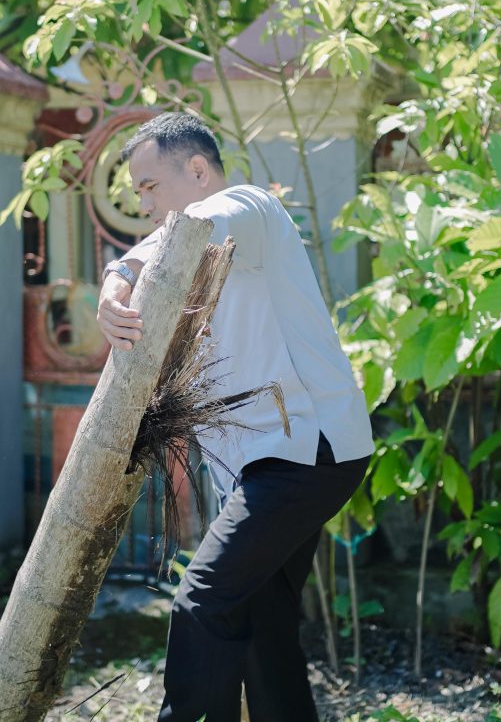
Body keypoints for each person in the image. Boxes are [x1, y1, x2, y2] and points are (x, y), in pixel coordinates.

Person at [97, 112, 374, 722]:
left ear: (198, 170)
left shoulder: (247, 207)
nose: (142, 202)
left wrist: (118, 274)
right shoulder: (185, 260)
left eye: (149, 186)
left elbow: (196, 225)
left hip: (307, 450)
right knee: (259, 620)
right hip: (269, 463)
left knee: (203, 602)